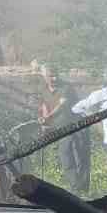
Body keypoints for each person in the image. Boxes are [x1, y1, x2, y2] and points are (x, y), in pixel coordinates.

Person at [38, 65, 93, 194]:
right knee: (65, 155)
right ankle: (75, 186)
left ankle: (84, 188)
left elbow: (61, 105)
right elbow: (44, 105)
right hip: (61, 127)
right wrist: (44, 120)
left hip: (77, 125)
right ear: (44, 77)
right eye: (51, 76)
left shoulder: (66, 87)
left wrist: (48, 116)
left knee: (81, 156)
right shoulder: (43, 89)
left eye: (55, 75)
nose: (54, 78)